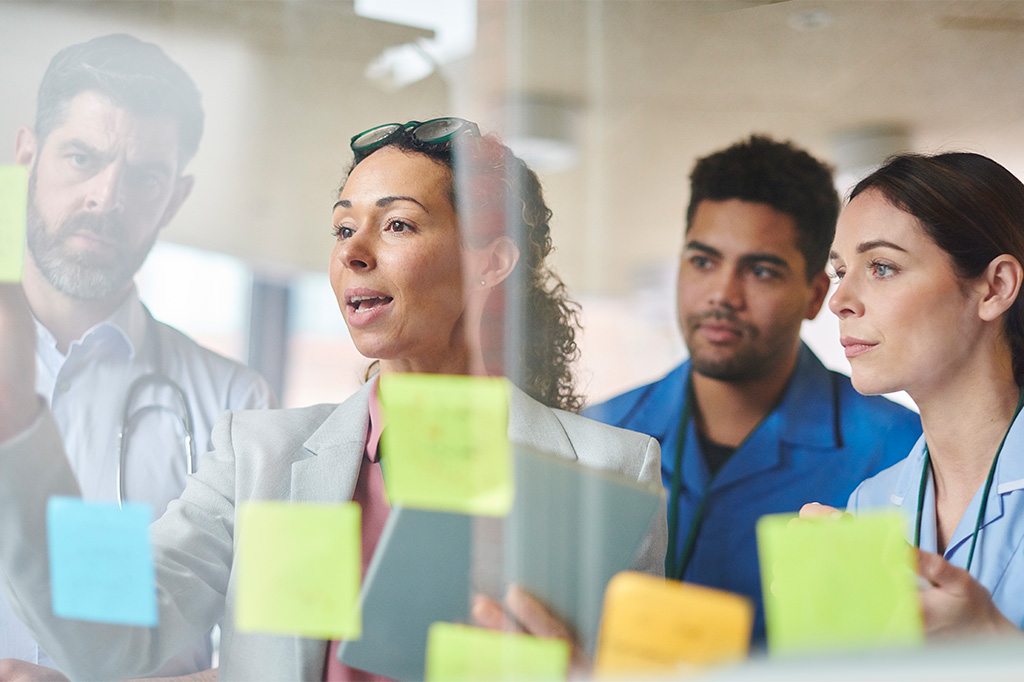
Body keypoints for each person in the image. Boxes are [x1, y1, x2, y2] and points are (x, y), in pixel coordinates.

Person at [0, 118, 665, 680]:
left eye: (398, 225)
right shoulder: (257, 457)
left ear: (488, 263)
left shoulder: (611, 471)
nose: (355, 253)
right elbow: (120, 629)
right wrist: (19, 428)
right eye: (344, 229)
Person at [0, 34, 274, 680]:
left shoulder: (236, 407)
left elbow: (269, 663)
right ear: (26, 158)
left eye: (144, 176)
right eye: (81, 157)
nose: (106, 197)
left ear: (174, 198)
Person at [585, 135, 921, 642]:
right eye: (703, 261)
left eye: (761, 271)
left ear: (814, 296)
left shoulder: (900, 454)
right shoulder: (597, 435)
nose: (723, 295)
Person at [805, 151, 1024, 636]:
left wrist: (994, 642)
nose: (838, 300)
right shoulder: (869, 508)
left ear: (995, 287)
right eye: (842, 271)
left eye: (881, 266)